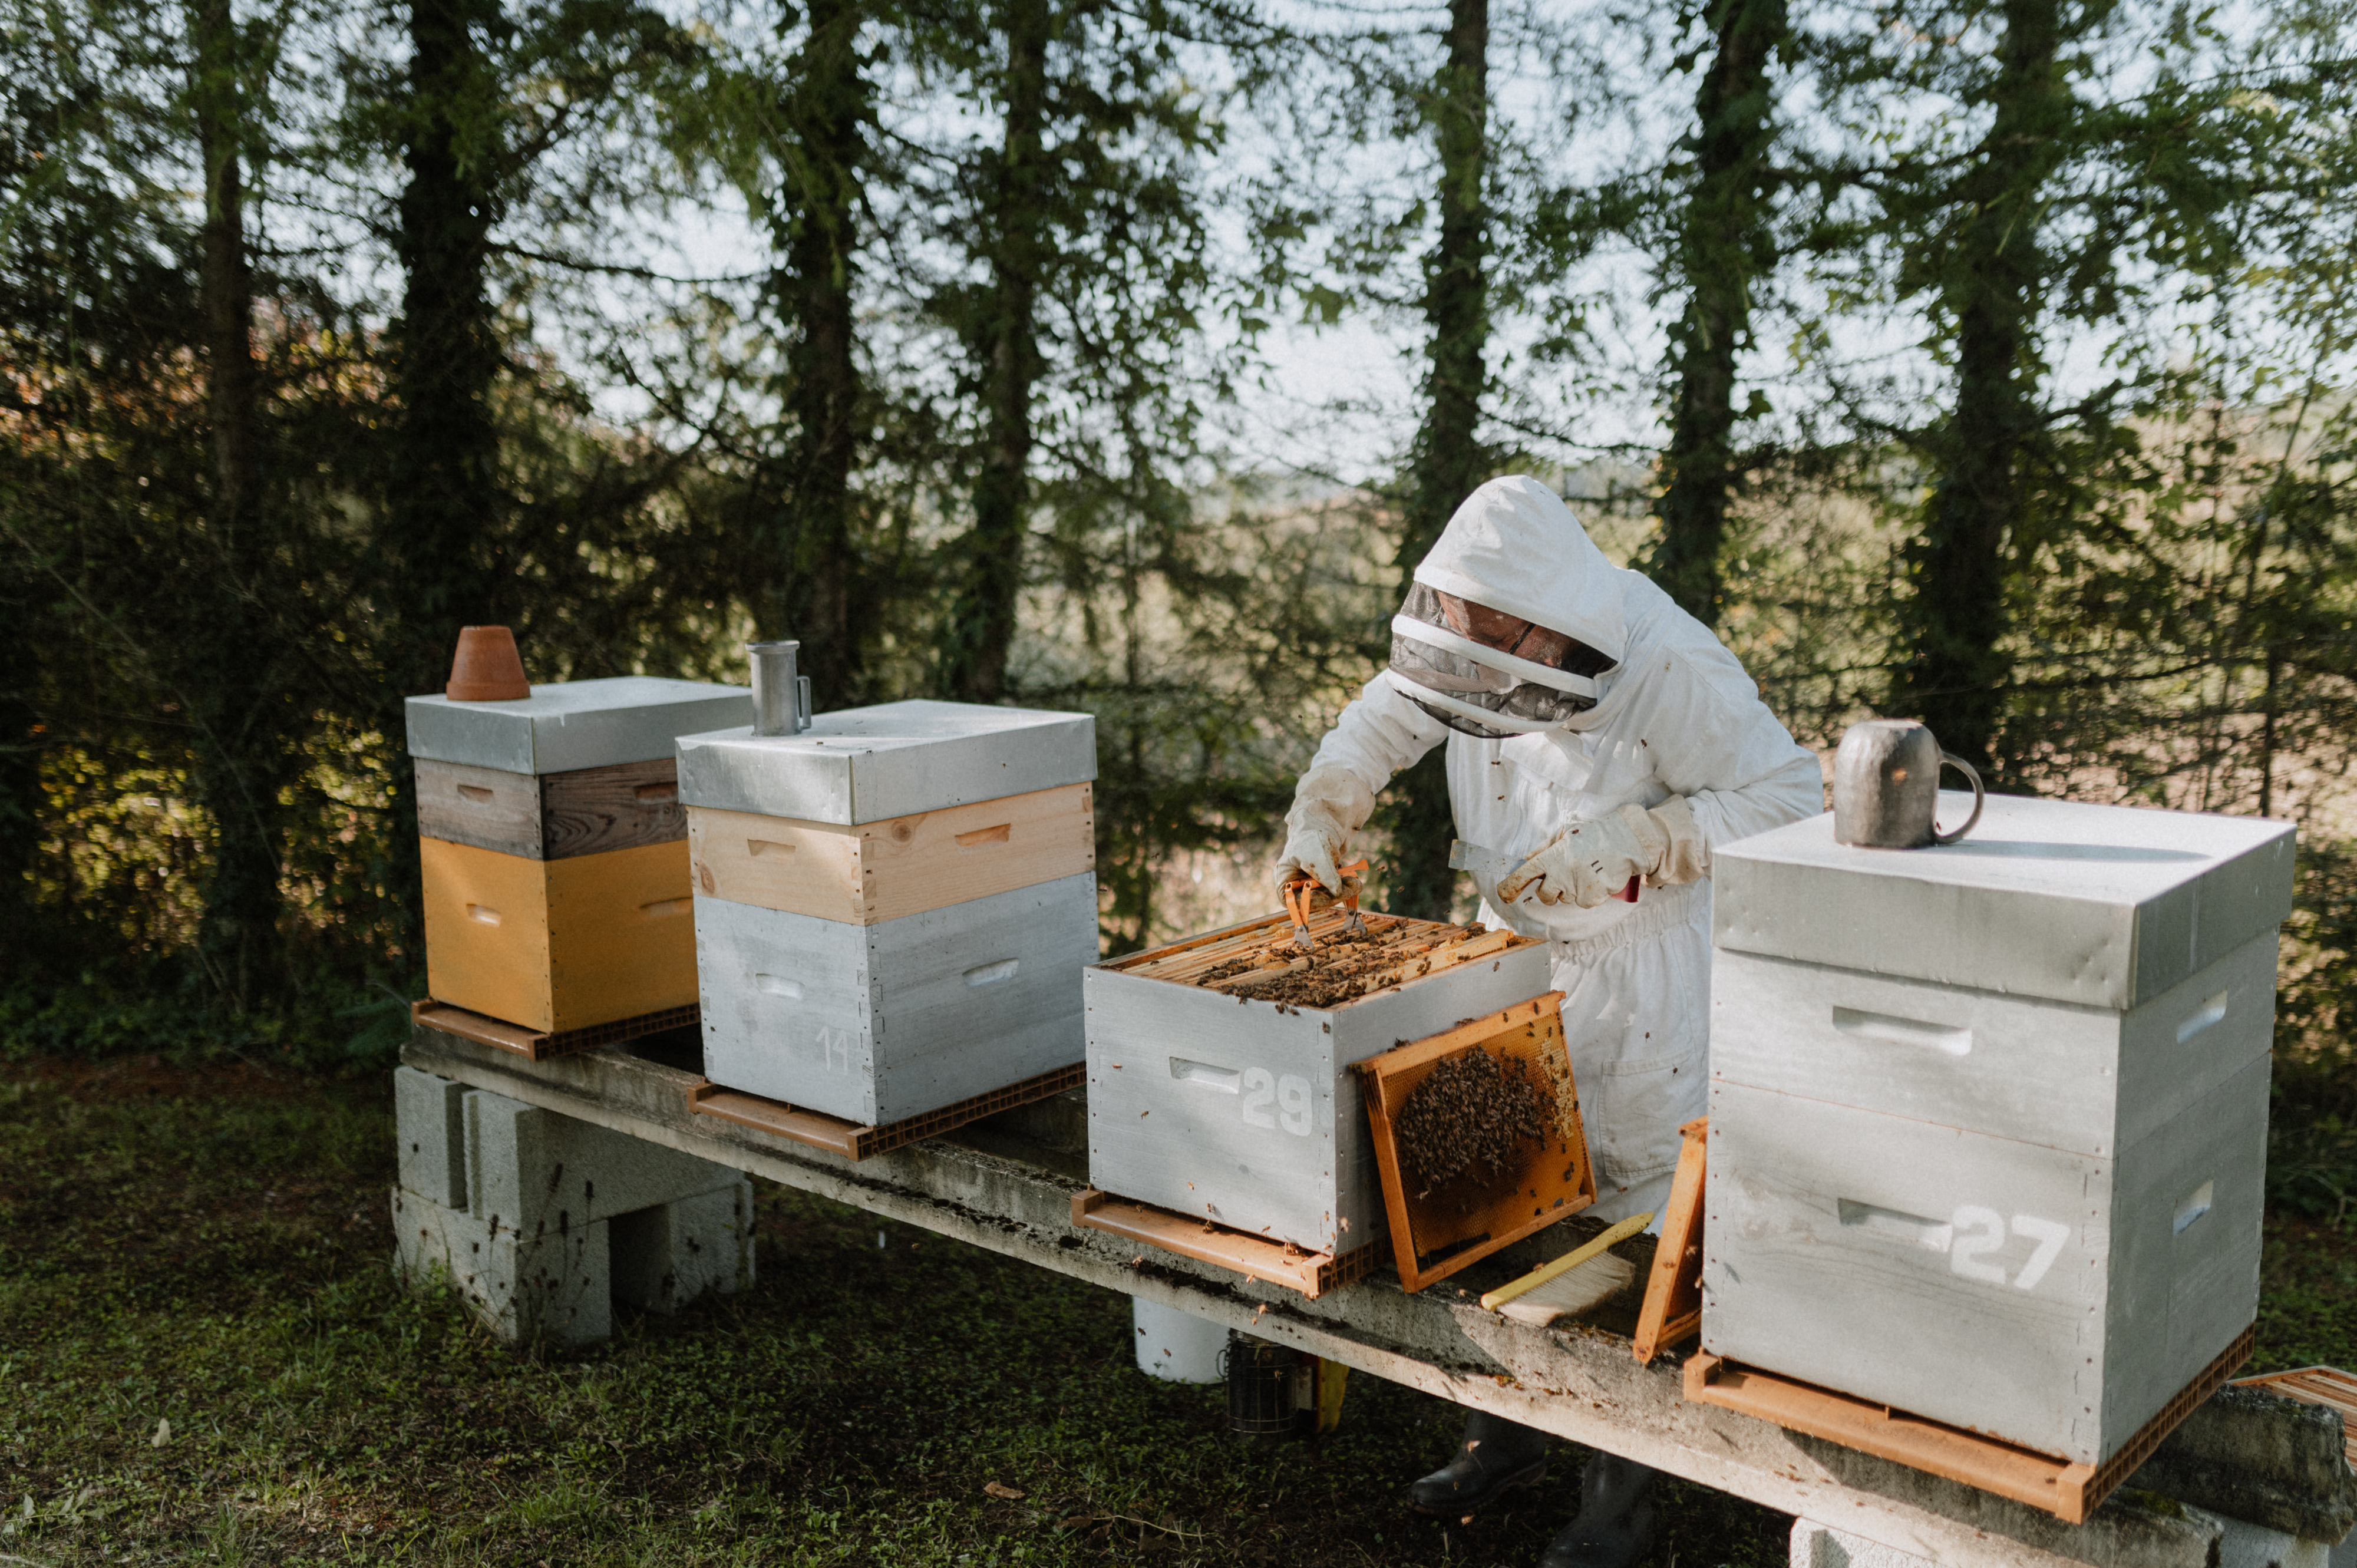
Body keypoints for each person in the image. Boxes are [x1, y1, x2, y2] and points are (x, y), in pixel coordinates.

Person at [1275, 476, 1821, 1568]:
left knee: (1630, 1226)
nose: (1469, 656)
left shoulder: (1667, 660)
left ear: (1544, 623)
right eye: (1459, 636)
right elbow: (1392, 707)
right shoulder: (1471, 634)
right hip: (1511, 952)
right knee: (1504, 1199)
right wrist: (1325, 797)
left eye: (1489, 641)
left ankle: (1621, 1496)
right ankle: (1502, 1437)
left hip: (1643, 971)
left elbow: (1790, 795)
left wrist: (1641, 841)